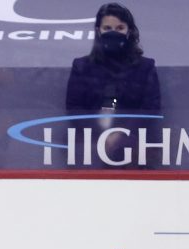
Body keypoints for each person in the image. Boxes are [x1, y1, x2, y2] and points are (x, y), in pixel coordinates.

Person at [65, 2, 161, 166]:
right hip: (89, 149)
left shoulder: (145, 67)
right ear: (98, 31)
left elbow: (151, 107)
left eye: (119, 28)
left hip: (135, 149)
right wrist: (101, 135)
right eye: (107, 28)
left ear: (129, 31)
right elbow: (74, 107)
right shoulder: (82, 66)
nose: (113, 33)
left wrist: (121, 134)